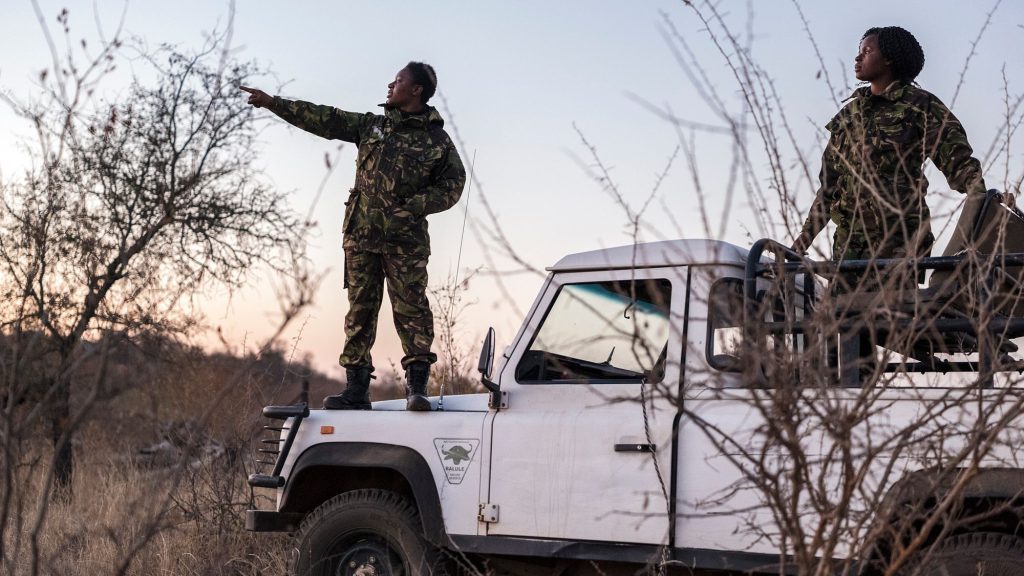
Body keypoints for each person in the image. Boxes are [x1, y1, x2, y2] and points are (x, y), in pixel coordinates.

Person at [241, 62, 466, 411]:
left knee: (412, 311)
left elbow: (454, 184)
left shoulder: (436, 140)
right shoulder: (371, 125)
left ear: (417, 90)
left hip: (406, 243)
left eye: (400, 80)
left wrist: (415, 206)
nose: (391, 84)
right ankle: (356, 390)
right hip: (361, 238)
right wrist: (274, 104)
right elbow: (326, 119)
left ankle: (416, 389)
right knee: (359, 313)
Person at [793, 26, 988, 289]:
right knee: (847, 327)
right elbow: (828, 190)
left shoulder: (920, 105)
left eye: (867, 51)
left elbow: (959, 163)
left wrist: (987, 203)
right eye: (858, 52)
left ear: (889, 59)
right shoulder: (847, 117)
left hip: (898, 249)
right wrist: (800, 245)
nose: (858, 58)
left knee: (892, 327)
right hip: (848, 251)